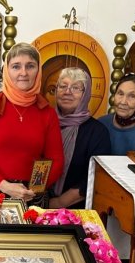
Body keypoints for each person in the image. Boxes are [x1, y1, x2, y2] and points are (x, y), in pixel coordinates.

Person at [0, 42, 64, 206]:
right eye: (16, 66)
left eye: (30, 66)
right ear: (6, 70)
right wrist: (5, 186)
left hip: (31, 196)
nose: (23, 73)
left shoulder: (47, 113)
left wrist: (34, 189)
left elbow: (56, 160)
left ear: (38, 70)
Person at [47, 68, 110, 209]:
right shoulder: (44, 122)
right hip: (37, 201)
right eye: (63, 86)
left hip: (74, 210)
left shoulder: (97, 132)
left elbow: (94, 176)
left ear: (85, 95)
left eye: (75, 88)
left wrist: (60, 203)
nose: (67, 92)